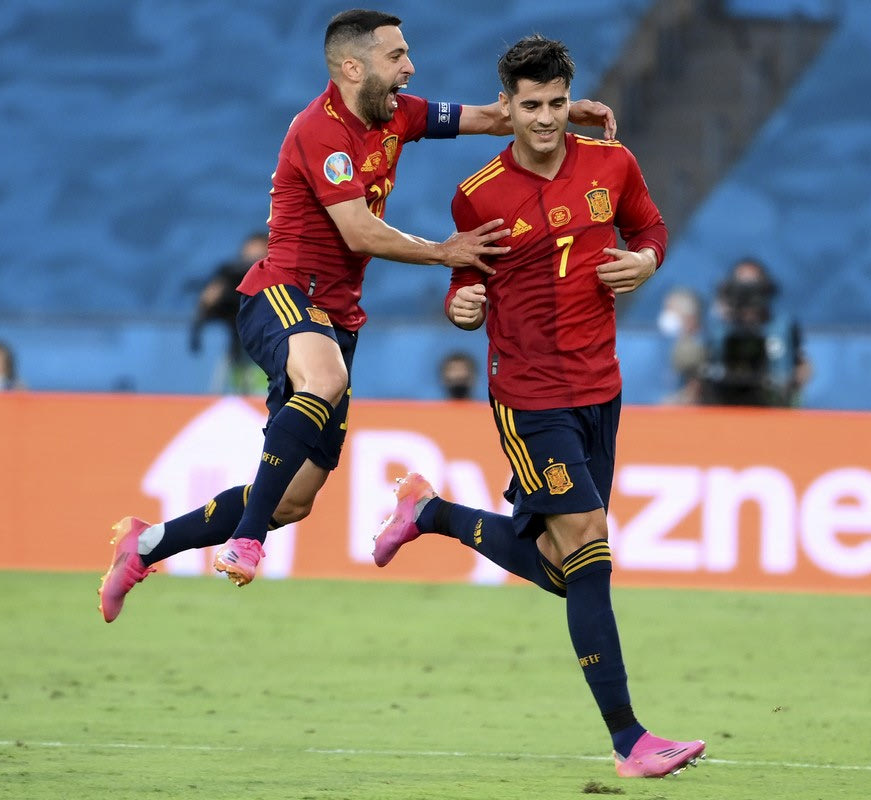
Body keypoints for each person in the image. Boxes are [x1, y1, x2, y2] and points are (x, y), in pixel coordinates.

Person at [98, 9, 618, 621]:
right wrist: (444, 251)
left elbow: (493, 116)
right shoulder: (319, 131)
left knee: (293, 499)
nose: (410, 66)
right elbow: (359, 231)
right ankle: (248, 539)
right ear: (353, 67)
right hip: (283, 292)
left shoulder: (398, 115)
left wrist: (566, 111)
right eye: (396, 56)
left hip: (337, 319)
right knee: (324, 380)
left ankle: (147, 544)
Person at [371, 35, 705, 779]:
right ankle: (630, 740)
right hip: (529, 396)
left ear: (569, 98)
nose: (547, 118)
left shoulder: (613, 165)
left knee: (564, 566)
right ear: (508, 106)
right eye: (531, 106)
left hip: (601, 390)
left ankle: (431, 513)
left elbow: (650, 227)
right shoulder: (480, 193)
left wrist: (646, 261)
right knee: (590, 549)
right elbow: (464, 281)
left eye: (557, 102)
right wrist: (462, 305)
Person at [701, 256, 810, 406]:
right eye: (742, 289)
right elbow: (705, 368)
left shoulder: (781, 328)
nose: (748, 296)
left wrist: (795, 379)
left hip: (771, 404)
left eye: (753, 288)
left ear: (766, 289)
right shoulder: (719, 330)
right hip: (723, 403)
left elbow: (801, 367)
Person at [190, 232, 270, 395]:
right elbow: (211, 310)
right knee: (230, 405)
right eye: (247, 255)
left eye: (257, 256)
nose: (249, 263)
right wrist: (210, 300)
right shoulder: (230, 278)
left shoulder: (279, 284)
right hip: (237, 357)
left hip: (271, 358)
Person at [657, 286, 705, 405]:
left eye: (672, 311)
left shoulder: (698, 345)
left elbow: (693, 391)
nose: (667, 316)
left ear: (690, 318)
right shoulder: (667, 344)